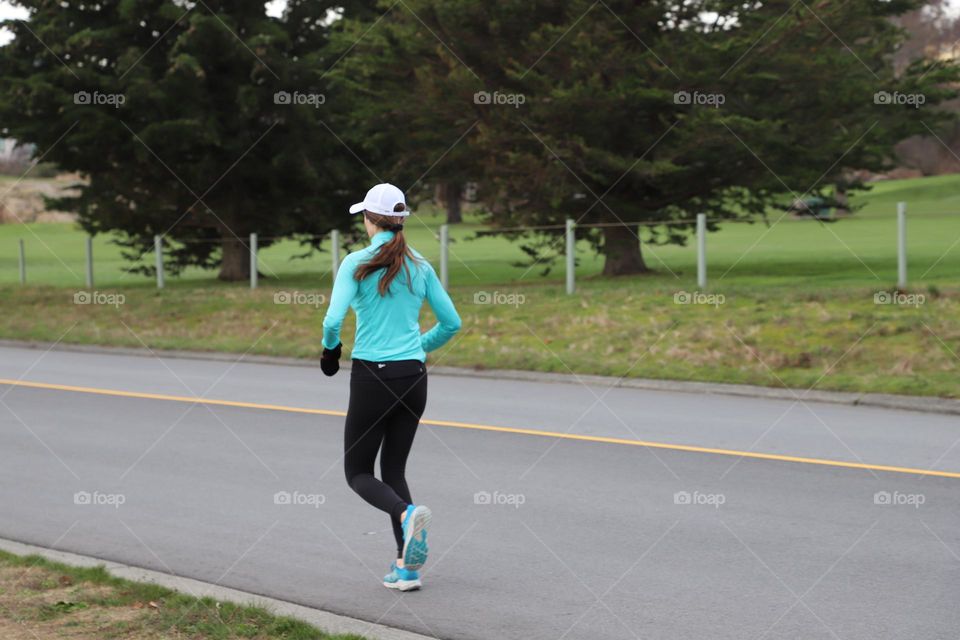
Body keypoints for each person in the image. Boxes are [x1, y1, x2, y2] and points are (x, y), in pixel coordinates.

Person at [320, 183, 461, 592]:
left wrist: (330, 354)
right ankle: (407, 569)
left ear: (369, 220)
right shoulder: (420, 266)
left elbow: (332, 321)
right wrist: (418, 346)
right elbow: (452, 323)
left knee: (358, 472)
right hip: (414, 378)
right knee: (394, 469)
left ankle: (405, 513)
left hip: (373, 377)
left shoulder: (356, 262)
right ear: (399, 221)